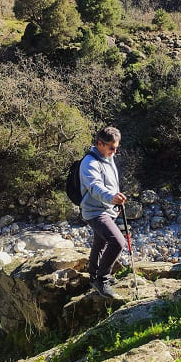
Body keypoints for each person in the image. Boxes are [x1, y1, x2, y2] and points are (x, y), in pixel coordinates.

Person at [80, 126, 127, 298]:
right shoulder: (89, 163)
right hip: (94, 211)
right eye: (111, 147)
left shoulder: (108, 157)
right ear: (100, 143)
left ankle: (93, 276)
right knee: (117, 241)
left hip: (107, 209)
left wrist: (115, 202)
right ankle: (102, 281)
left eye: (116, 147)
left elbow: (111, 183)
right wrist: (112, 197)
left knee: (100, 242)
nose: (114, 151)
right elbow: (95, 188)